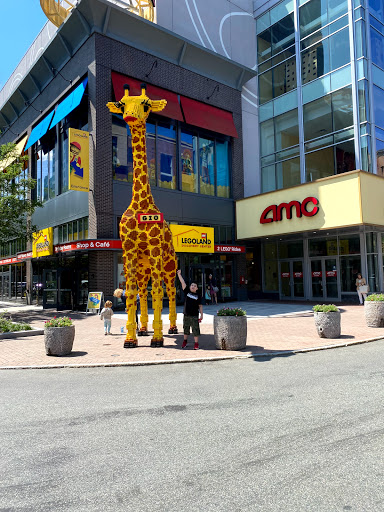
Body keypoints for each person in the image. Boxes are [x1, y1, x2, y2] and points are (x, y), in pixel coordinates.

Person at [177, 269, 203, 350]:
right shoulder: (187, 291)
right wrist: (179, 275)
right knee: (186, 329)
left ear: (197, 288)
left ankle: (196, 343)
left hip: (194, 315)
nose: (193, 286)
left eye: (194, 286)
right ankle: (185, 341)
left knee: (195, 330)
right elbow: (183, 283)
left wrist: (201, 315)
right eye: (192, 285)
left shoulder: (198, 296)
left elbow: (200, 306)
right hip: (186, 314)